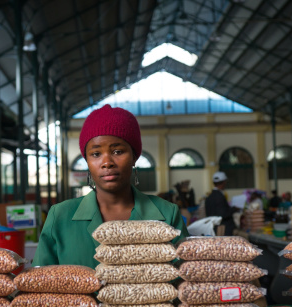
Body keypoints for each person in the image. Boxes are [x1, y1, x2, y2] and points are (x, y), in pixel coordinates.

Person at [32, 104, 189, 268]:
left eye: (118, 152)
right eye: (96, 154)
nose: (107, 163)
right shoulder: (60, 216)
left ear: (134, 157)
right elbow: (40, 283)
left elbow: (185, 281)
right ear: (87, 160)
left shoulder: (167, 213)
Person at [205, 171, 238, 235]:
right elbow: (223, 214)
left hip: (213, 227)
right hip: (223, 229)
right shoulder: (219, 196)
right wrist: (234, 209)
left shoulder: (209, 197)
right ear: (224, 182)